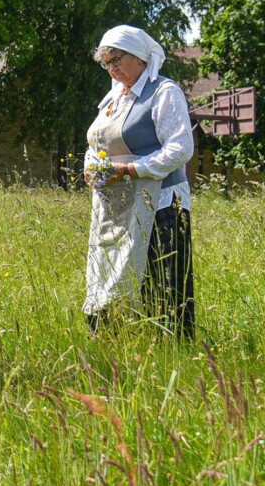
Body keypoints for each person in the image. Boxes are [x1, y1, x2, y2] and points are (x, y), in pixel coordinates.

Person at [82, 25, 195, 338]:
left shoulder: (163, 92)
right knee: (111, 272)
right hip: (116, 208)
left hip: (160, 204)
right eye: (106, 63)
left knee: (163, 281)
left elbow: (180, 148)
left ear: (139, 57)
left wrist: (131, 170)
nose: (112, 69)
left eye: (116, 60)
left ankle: (172, 349)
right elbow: (94, 145)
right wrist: (91, 167)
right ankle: (114, 343)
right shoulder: (111, 100)